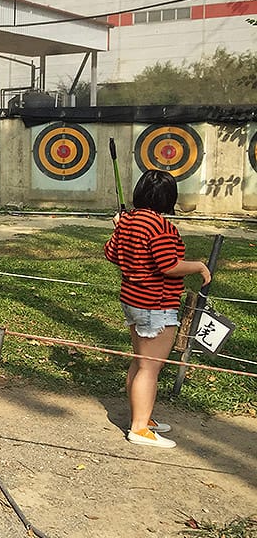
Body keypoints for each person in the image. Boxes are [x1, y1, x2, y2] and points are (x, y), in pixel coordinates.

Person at [105, 170, 210, 449]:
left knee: (140, 362)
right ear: (168, 198)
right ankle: (139, 428)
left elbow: (112, 254)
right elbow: (169, 266)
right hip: (155, 305)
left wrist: (118, 228)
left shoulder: (128, 222)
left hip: (132, 300)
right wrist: (198, 266)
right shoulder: (161, 227)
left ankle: (141, 417)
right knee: (150, 368)